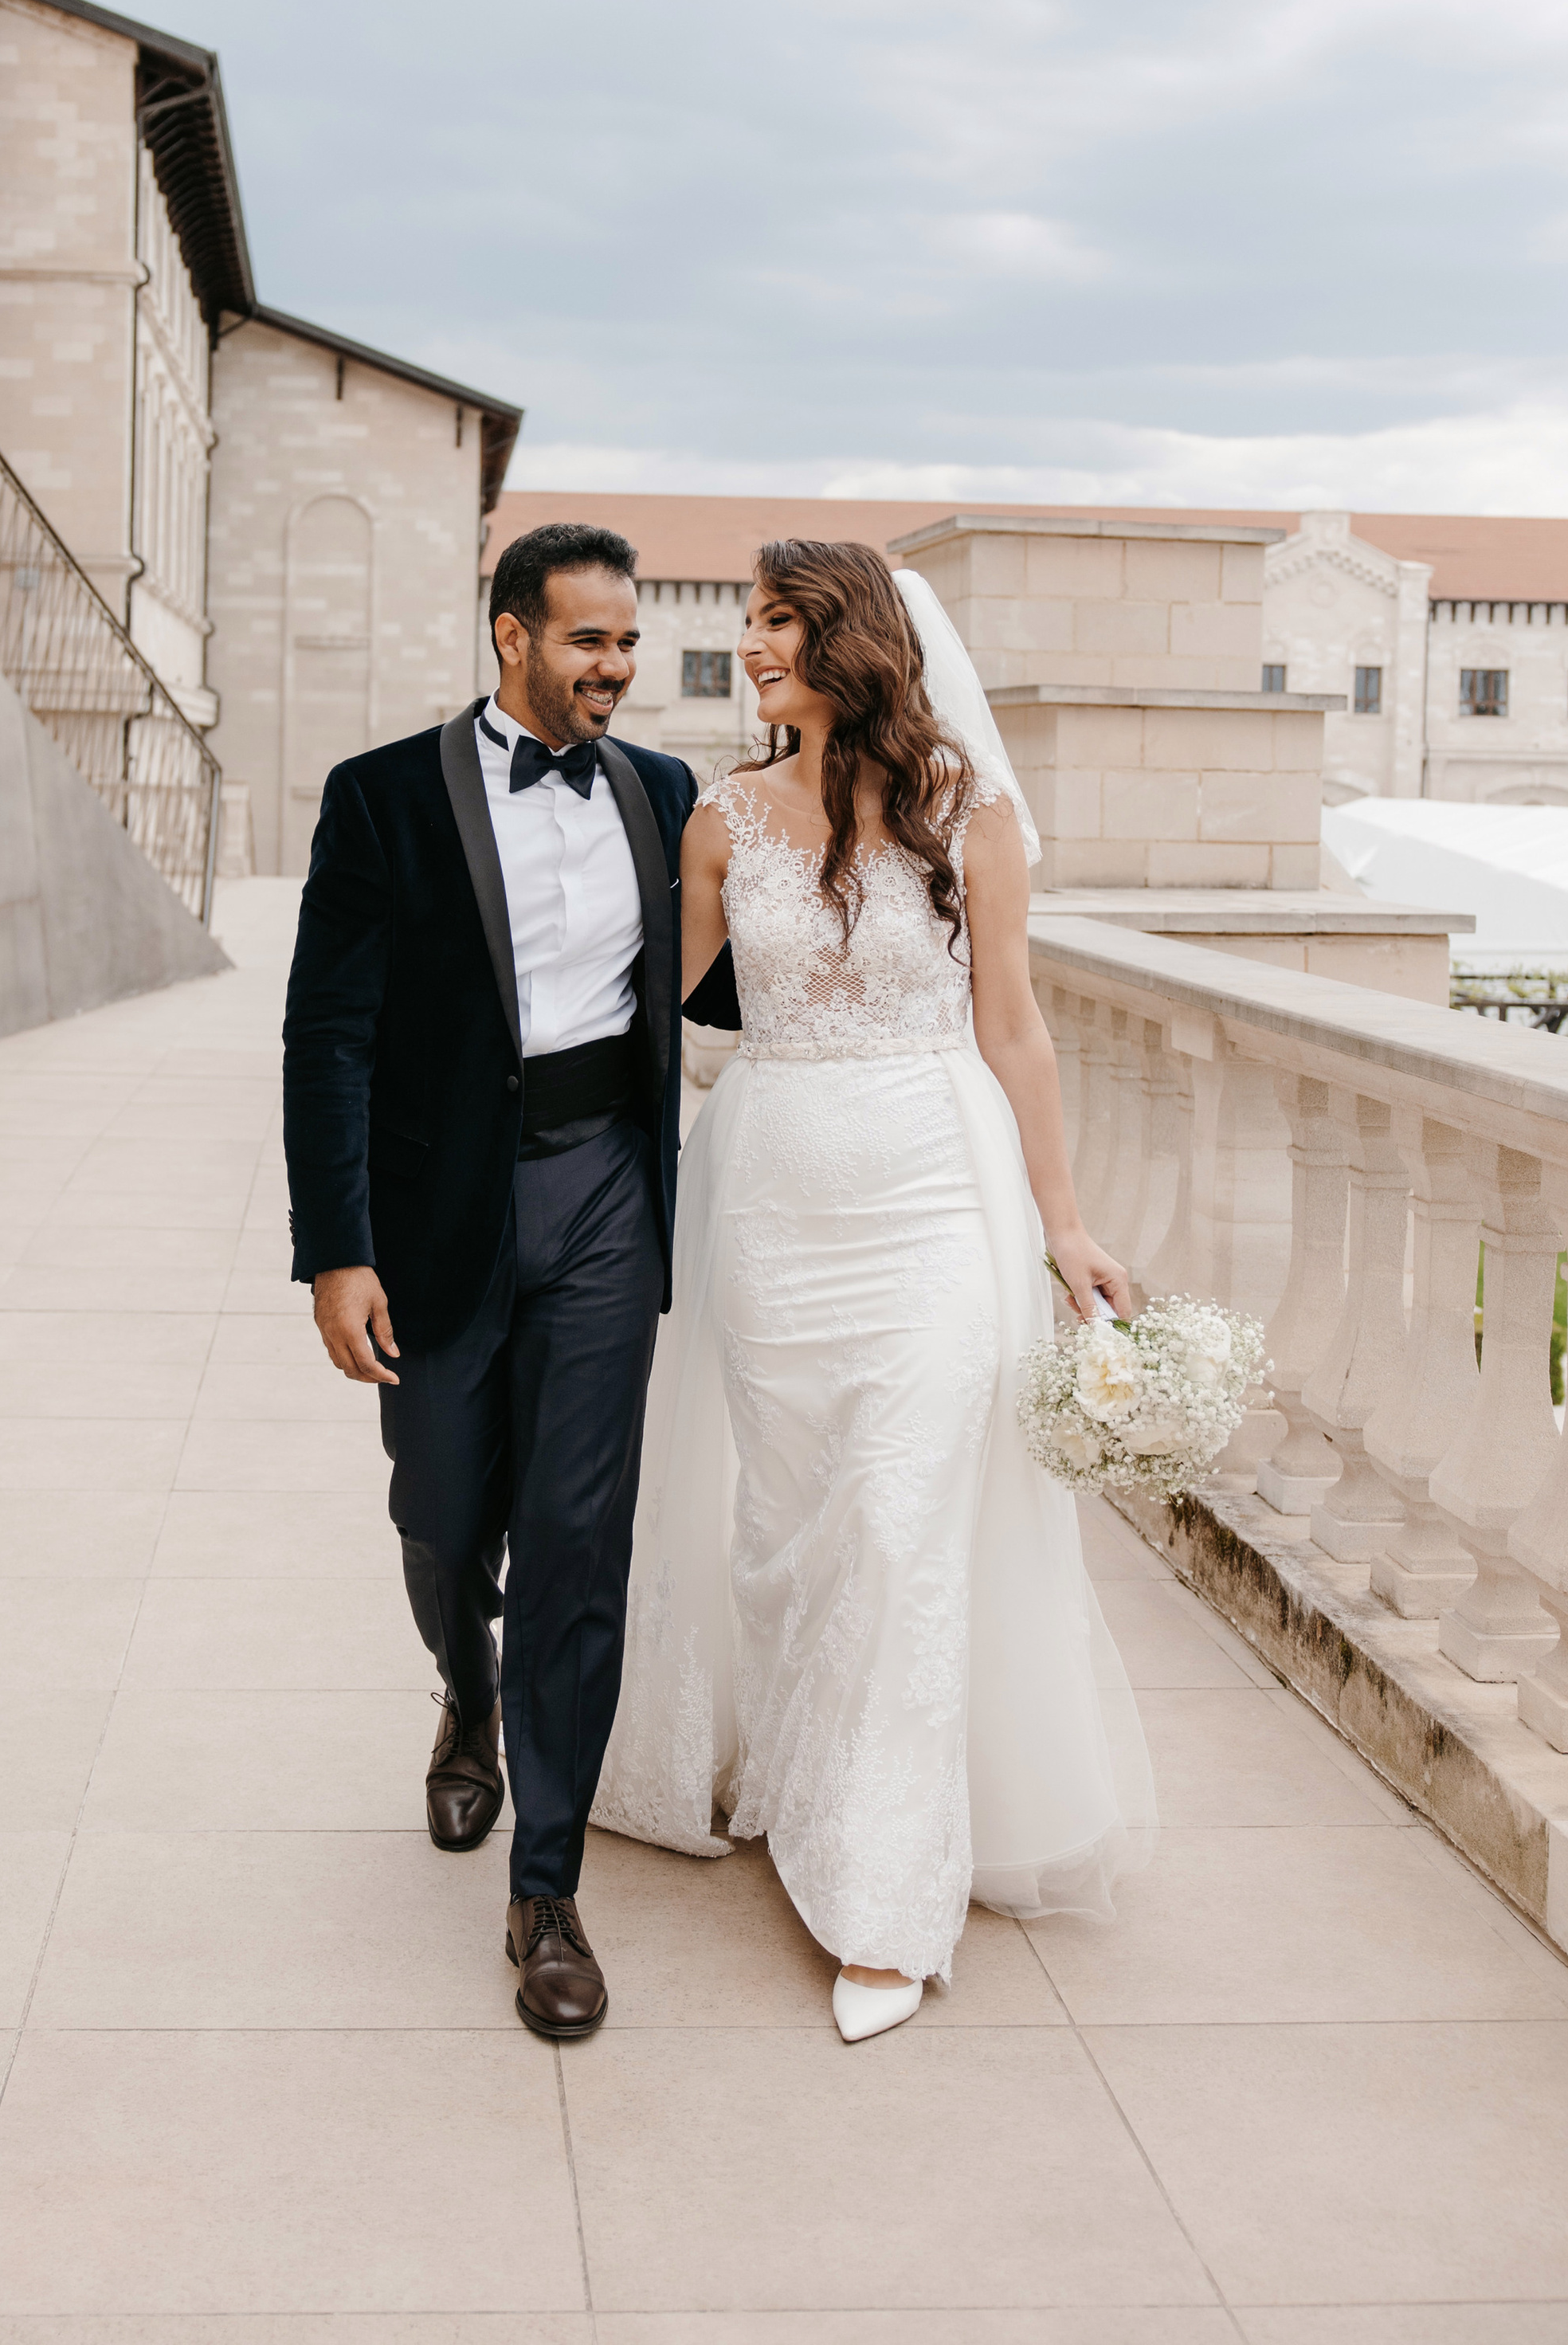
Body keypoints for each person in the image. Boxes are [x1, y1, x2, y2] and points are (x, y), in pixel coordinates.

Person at [592, 538, 1155, 2043]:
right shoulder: (722, 819)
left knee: (904, 1528)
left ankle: (886, 1900)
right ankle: (800, 1776)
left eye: (777, 619)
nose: (751, 644)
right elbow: (653, 1024)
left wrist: (1064, 1225)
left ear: (849, 637)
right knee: (790, 1529)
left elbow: (1015, 1030)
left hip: (933, 1204)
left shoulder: (973, 815)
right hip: (771, 1205)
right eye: (749, 619)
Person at [283, 520, 699, 2041]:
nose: (617, 667)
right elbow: (327, 1035)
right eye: (591, 640)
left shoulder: (663, 794)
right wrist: (337, 1250)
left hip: (606, 1198)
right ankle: (467, 1693)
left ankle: (547, 1890)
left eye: (630, 642)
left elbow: (723, 973)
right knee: (445, 1515)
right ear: (512, 636)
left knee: (580, 1543)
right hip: (440, 1215)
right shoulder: (382, 796)